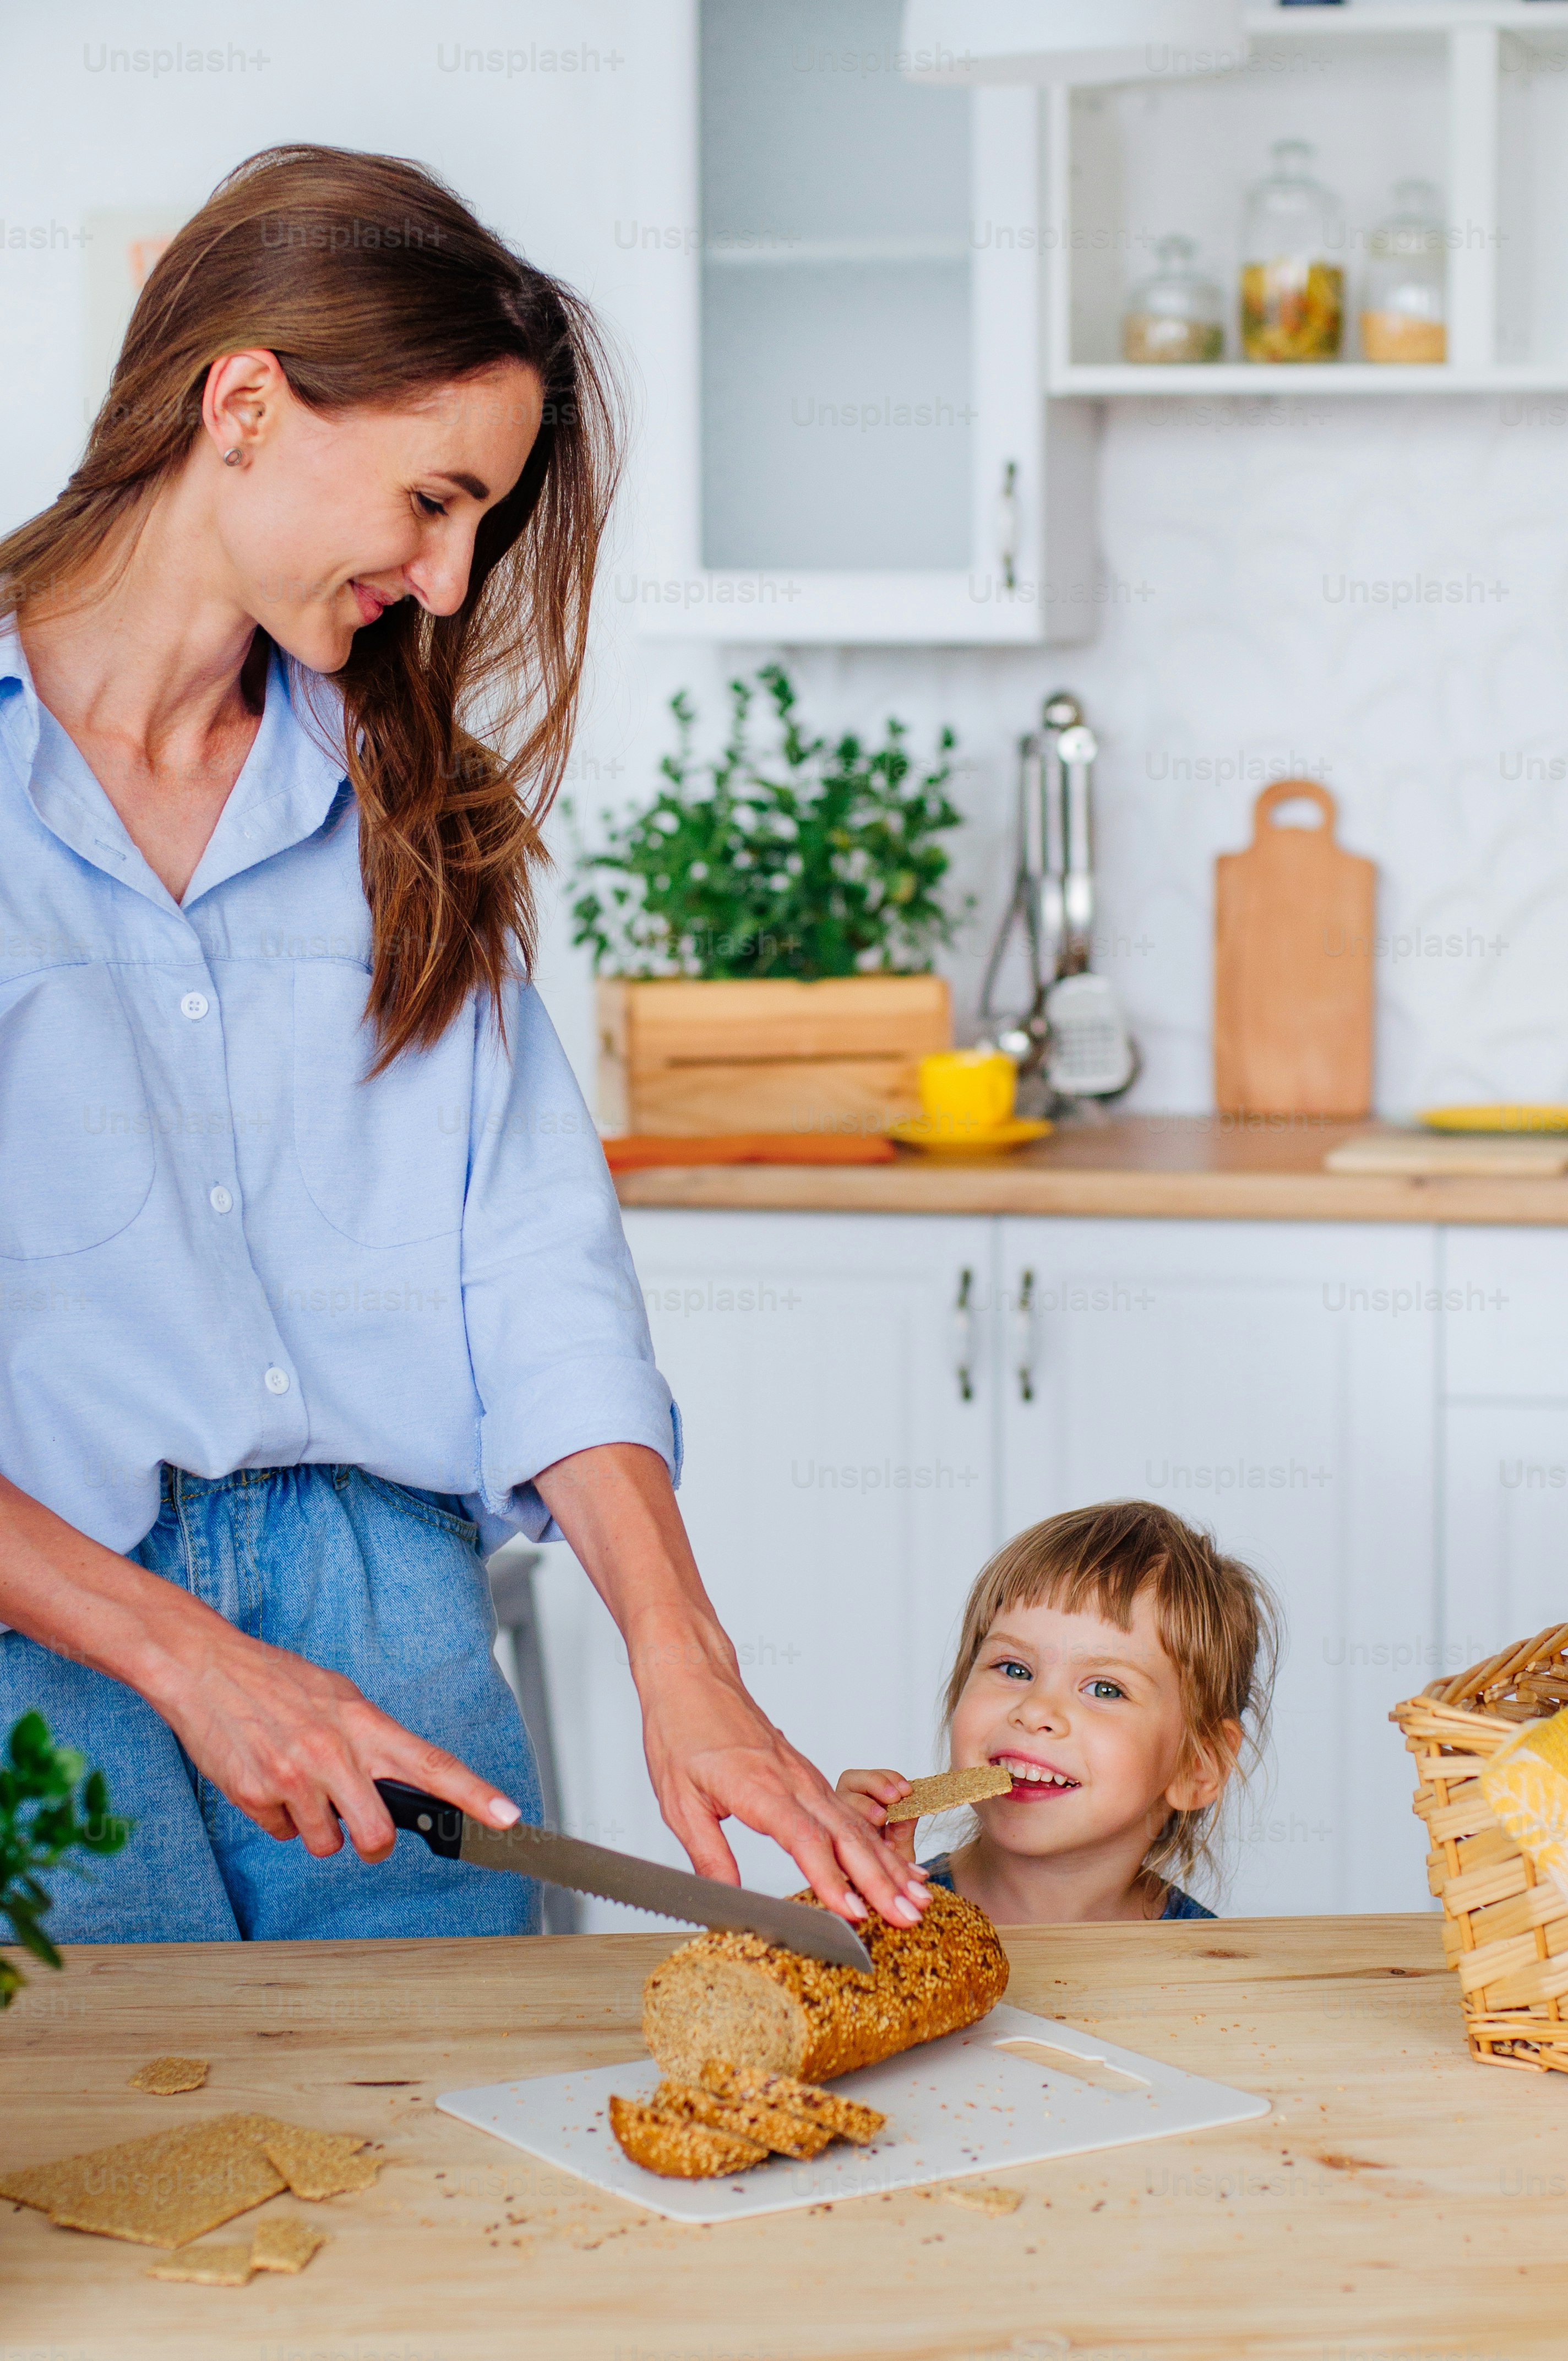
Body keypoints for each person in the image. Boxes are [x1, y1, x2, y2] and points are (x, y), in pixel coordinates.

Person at [0, 144, 925, 1945]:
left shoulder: (407, 810)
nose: (445, 582)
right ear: (245, 403)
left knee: (453, 2166)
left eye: (477, 523)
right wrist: (184, 1651)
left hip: (393, 1605)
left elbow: (526, 1257)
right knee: (106, 2185)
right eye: (432, 499)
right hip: (47, 1624)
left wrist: (684, 1657)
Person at [838, 1501, 1278, 1923]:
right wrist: (854, 1914)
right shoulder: (884, 1908)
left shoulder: (1211, 1975)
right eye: (1013, 1668)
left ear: (1198, 1767)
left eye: (1105, 1689)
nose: (1035, 1711)